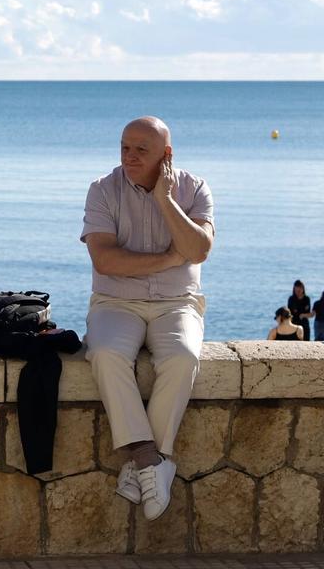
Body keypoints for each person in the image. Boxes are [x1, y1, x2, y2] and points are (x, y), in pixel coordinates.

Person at [81, 116, 214, 522]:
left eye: (141, 149)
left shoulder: (195, 189)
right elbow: (104, 260)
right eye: (124, 147)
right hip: (115, 302)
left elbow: (199, 248)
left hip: (177, 303)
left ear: (166, 154)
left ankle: (143, 463)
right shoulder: (103, 190)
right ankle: (152, 459)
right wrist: (167, 260)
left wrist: (165, 201)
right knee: (104, 353)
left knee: (183, 358)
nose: (129, 156)